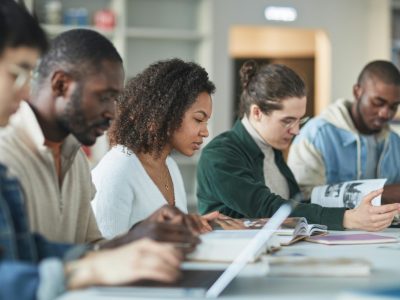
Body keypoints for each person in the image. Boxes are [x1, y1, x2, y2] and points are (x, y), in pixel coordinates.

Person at [0, 2, 184, 300]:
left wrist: (135, 238)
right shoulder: (6, 154)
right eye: (104, 97)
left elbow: (44, 251)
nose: (112, 113)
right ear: (61, 84)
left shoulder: (76, 158)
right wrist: (85, 269)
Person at [197, 60, 400, 231]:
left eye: (299, 120)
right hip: (232, 264)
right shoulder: (220, 154)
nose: (296, 131)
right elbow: (267, 207)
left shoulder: (272, 151)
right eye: (287, 121)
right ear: (257, 112)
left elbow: (297, 205)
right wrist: (347, 218)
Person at [92, 58, 219, 238]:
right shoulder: (117, 170)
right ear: (166, 113)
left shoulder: (171, 167)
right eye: (198, 119)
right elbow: (104, 253)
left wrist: (191, 226)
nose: (205, 132)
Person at [288, 60, 400, 203]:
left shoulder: (395, 143)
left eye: (394, 106)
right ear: (357, 91)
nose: (385, 113)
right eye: (378, 103)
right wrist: (380, 194)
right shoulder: (316, 135)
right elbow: (301, 200)